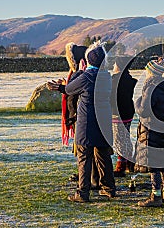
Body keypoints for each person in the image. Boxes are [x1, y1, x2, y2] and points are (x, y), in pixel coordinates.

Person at [48, 44, 115, 202]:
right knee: (103, 155)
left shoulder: (87, 76)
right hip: (103, 120)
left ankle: (82, 192)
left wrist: (78, 72)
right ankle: (109, 188)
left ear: (88, 60)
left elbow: (70, 89)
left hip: (87, 121)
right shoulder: (107, 76)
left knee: (84, 157)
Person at [135, 59, 164, 207]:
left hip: (150, 127)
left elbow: (144, 110)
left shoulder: (151, 88)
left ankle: (155, 195)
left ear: (151, 72)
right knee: (163, 160)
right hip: (161, 127)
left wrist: (138, 102)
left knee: (153, 162)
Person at [111, 56, 137, 177]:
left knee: (119, 139)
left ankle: (121, 164)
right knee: (125, 137)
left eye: (115, 64)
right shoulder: (130, 80)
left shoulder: (114, 80)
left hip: (117, 113)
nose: (113, 67)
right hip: (128, 112)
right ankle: (129, 162)